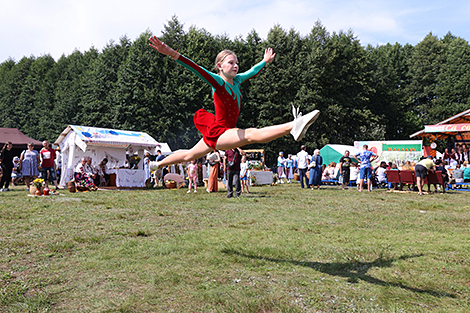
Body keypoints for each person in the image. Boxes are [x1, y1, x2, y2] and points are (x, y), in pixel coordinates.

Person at [149, 37, 320, 169]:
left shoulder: (237, 81)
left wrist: (265, 62)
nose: (236, 65)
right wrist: (171, 53)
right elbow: (196, 68)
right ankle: (293, 125)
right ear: (220, 66)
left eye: (237, 62)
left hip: (225, 131)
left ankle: (157, 164)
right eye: (231, 62)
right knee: (251, 134)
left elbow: (252, 71)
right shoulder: (218, 82)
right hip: (219, 132)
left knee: (188, 155)